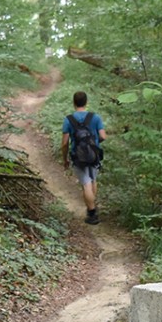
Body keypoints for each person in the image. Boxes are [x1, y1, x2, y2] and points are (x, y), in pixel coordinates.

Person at [60, 90, 106, 224]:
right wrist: (94, 143)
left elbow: (64, 143)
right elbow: (103, 136)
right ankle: (92, 206)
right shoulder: (95, 117)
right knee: (92, 180)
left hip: (78, 156)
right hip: (94, 155)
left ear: (74, 102)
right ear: (86, 102)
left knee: (86, 183)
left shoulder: (69, 119)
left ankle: (92, 213)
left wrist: (65, 159)